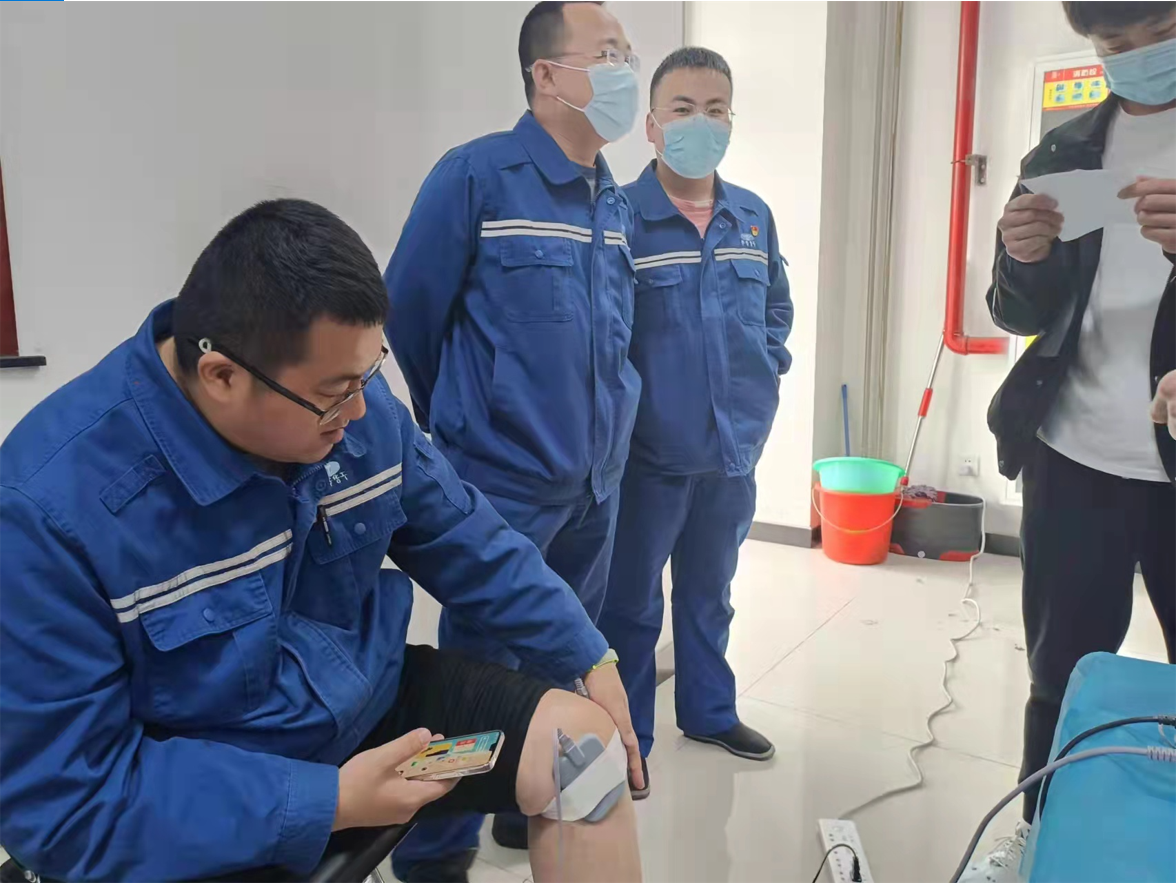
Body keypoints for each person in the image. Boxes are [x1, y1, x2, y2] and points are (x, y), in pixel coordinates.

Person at [0, 200, 643, 883]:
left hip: (362, 705)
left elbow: (464, 534)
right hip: (209, 781)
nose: (360, 410)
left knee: (585, 754)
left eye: (369, 375)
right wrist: (325, 801)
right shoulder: (47, 511)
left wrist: (586, 651)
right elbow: (68, 802)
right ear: (223, 376)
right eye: (336, 392)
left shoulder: (353, 410)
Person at [382, 2, 643, 874]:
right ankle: (436, 854)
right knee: (475, 682)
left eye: (627, 54)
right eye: (608, 54)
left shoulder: (613, 198)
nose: (625, 70)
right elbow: (407, 316)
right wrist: (464, 424)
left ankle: (522, 802)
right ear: (546, 74)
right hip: (500, 488)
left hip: (595, 487)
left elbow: (613, 338)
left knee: (566, 657)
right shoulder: (476, 178)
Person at [966, 2, 1175, 879]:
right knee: (1059, 671)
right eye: (1113, 46)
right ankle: (1042, 831)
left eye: (1157, 35)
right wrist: (1022, 258)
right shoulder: (1064, 150)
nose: (1137, 58)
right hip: (1073, 455)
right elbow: (1017, 311)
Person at [596, 47, 794, 794]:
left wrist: (766, 375)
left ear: (731, 122)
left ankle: (710, 712)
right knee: (630, 606)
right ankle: (628, 741)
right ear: (651, 125)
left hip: (731, 454)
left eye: (715, 110)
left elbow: (775, 310)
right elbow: (604, 336)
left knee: (711, 594)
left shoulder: (752, 216)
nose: (700, 123)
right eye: (682, 109)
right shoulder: (620, 217)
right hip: (647, 460)